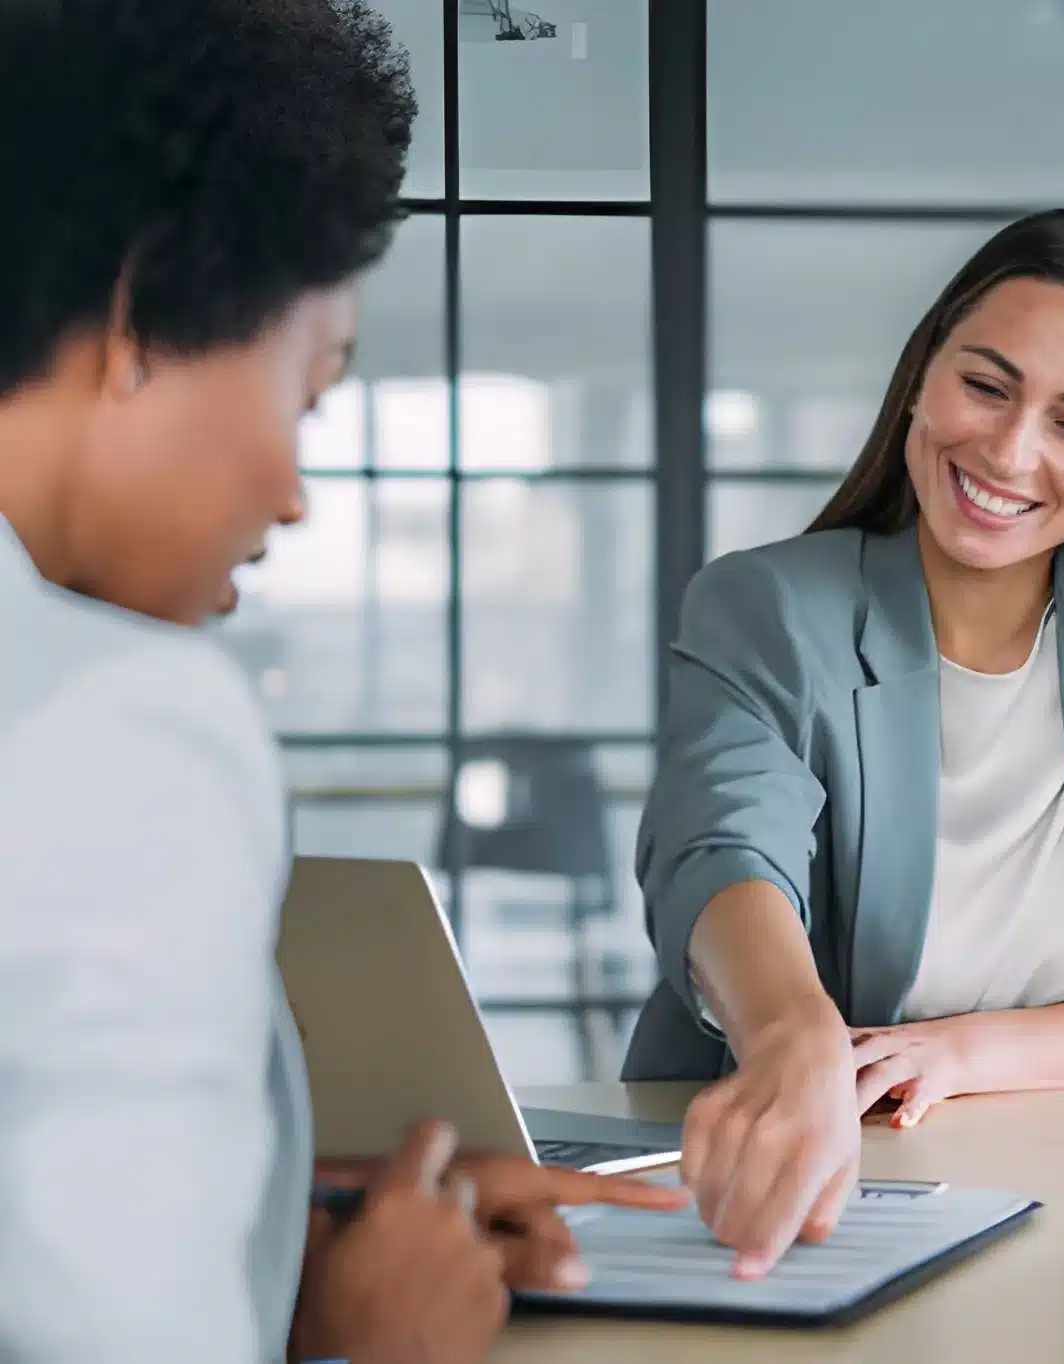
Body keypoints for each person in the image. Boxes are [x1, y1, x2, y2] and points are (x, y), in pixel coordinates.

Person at [0, 5, 679, 1362]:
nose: (295, 492)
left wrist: (264, 1248)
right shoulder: (114, 727)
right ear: (140, 320)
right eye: (305, 391)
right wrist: (375, 1339)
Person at [625, 209, 1064, 1276]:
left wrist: (965, 1052)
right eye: (985, 386)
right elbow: (720, 849)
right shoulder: (767, 608)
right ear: (922, 377)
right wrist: (793, 1034)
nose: (1007, 450)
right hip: (795, 1185)